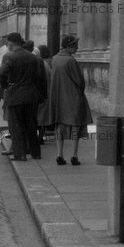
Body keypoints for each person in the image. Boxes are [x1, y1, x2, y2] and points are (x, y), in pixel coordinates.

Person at [0, 32, 47, 161]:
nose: (7, 46)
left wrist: (6, 85)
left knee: (16, 127)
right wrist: (42, 95)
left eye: (7, 43)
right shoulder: (35, 58)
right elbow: (42, 79)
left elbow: (1, 74)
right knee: (31, 126)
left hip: (15, 96)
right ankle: (36, 153)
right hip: (32, 97)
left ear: (11, 43)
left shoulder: (9, 57)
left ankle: (20, 154)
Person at [47, 35, 92, 166]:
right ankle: (74, 155)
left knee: (59, 127)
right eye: (75, 46)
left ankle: (59, 154)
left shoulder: (54, 59)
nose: (77, 49)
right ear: (69, 46)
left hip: (58, 99)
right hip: (72, 98)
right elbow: (80, 81)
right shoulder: (70, 61)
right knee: (75, 127)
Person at [36, 44, 53, 144]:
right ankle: (41, 137)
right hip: (47, 94)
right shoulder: (47, 64)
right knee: (43, 119)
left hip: (41, 94)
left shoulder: (41, 64)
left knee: (38, 118)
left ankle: (39, 138)